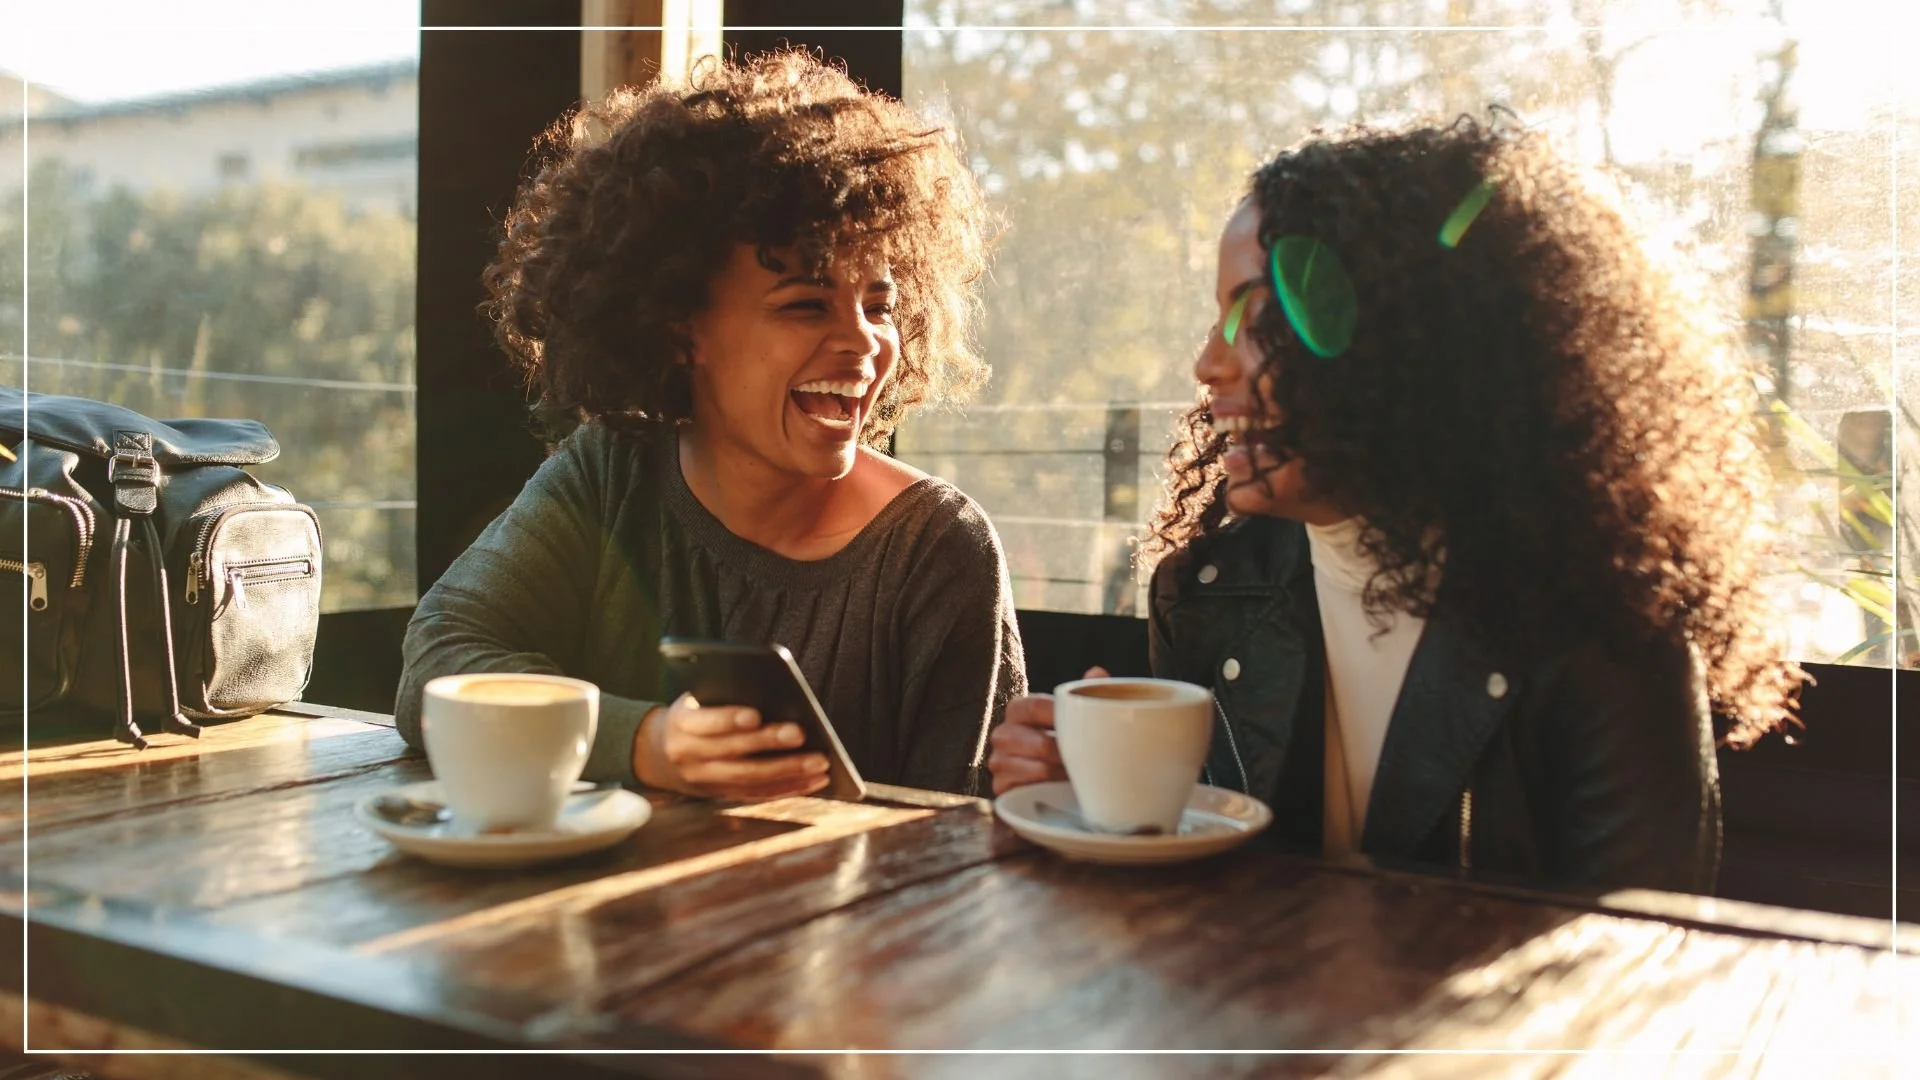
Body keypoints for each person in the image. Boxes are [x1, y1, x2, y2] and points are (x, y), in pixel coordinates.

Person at [989, 116, 1803, 893]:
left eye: (1257, 318)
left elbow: (1632, 970)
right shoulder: (1207, 593)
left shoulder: (1601, 628)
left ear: (1410, 344)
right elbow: (1204, 893)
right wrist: (1097, 803)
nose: (1208, 363)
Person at [398, 51, 1025, 800]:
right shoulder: (611, 474)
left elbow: (962, 846)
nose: (864, 343)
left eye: (881, 305)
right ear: (678, 327)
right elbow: (438, 665)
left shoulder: (938, 549)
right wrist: (645, 742)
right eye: (805, 303)